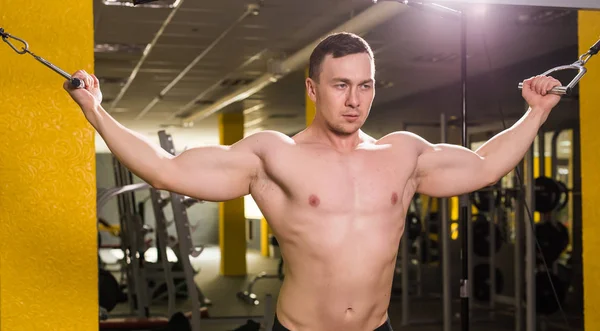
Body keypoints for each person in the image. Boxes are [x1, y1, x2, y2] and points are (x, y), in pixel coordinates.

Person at [65, 32, 562, 331]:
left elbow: (484, 165)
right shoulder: (272, 155)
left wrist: (535, 114)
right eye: (341, 85)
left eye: (364, 85)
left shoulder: (403, 152)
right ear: (312, 88)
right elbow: (165, 169)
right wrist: (96, 112)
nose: (354, 99)